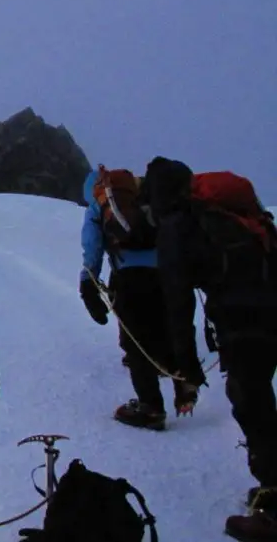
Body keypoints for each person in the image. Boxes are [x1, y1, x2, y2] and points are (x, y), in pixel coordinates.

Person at [142, 157, 277, 541]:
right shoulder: (232, 214)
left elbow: (178, 302)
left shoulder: (177, 224)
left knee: (253, 404)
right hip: (270, 311)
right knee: (259, 400)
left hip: (243, 321)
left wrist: (185, 369)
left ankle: (273, 507)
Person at [78, 168, 198, 430]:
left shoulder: (100, 205)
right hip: (166, 273)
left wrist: (88, 285)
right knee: (167, 329)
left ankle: (151, 407)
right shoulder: (146, 199)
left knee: (134, 342)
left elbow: (92, 249)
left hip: (129, 278)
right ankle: (183, 384)